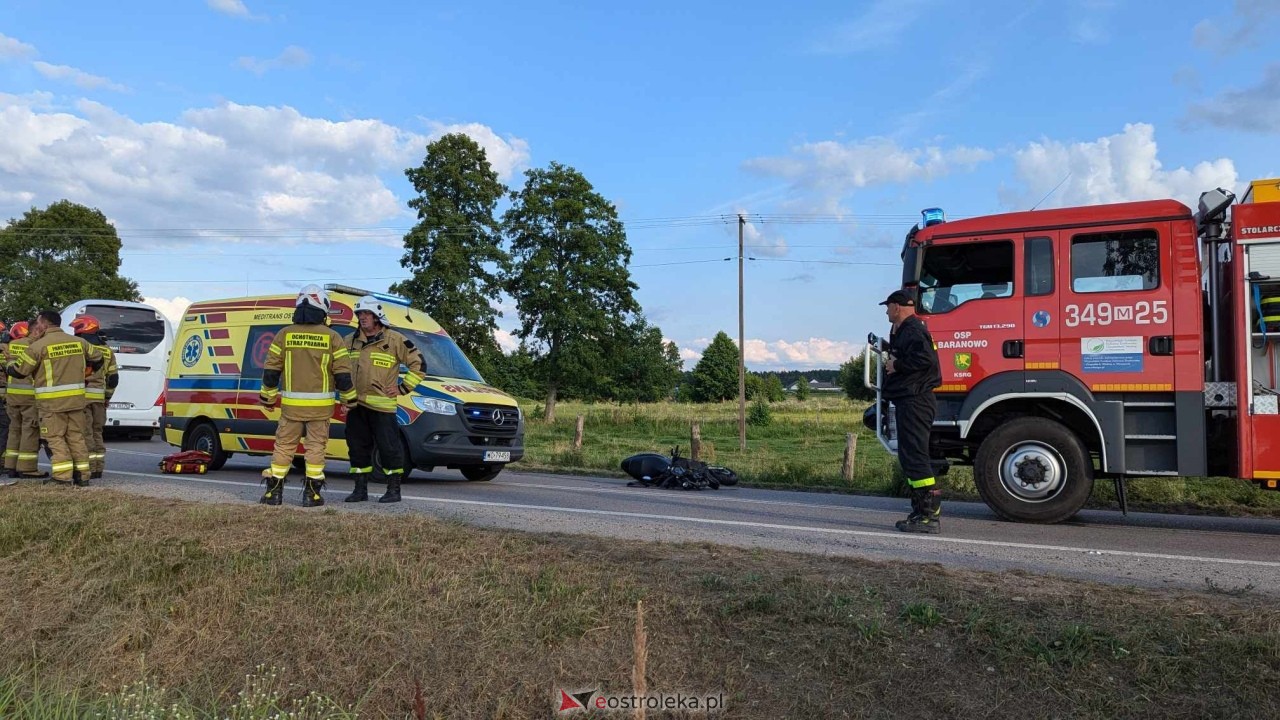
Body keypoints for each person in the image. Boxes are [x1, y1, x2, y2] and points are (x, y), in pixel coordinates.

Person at [258, 285, 357, 506]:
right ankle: (311, 495)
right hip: (320, 409)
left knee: (283, 447)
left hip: (291, 408)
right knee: (315, 449)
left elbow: (271, 370)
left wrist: (268, 398)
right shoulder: (332, 337)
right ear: (323, 308)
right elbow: (343, 375)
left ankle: (273, 494)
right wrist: (349, 400)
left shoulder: (284, 334)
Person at [342, 295, 426, 504]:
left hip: (382, 407)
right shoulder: (349, 341)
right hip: (355, 405)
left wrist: (403, 387)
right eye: (360, 314)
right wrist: (342, 395)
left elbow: (419, 364)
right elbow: (339, 369)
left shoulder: (394, 339)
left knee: (389, 449)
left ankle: (393, 490)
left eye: (367, 314)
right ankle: (360, 490)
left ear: (377, 316)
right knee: (357, 449)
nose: (362, 318)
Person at [7, 310, 102, 485]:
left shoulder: (38, 346)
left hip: (51, 403)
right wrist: (86, 374)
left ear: (44, 323)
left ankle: (62, 477)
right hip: (76, 401)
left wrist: (10, 362)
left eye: (38, 323)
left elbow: (19, 372)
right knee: (76, 437)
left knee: (55, 438)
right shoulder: (79, 342)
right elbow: (99, 359)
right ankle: (82, 475)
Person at [878, 289, 943, 533]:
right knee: (910, 457)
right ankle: (920, 512)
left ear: (897, 307)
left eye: (888, 306)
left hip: (916, 400)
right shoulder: (906, 330)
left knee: (915, 457)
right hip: (911, 399)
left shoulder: (914, 330)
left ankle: (928, 516)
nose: (886, 311)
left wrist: (897, 364)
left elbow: (926, 360)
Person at [71, 315, 119, 479]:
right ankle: (98, 468)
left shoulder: (79, 347)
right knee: (97, 432)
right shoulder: (107, 351)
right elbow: (113, 379)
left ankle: (88, 468)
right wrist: (107, 397)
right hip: (99, 399)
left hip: (82, 398)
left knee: (85, 434)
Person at [3, 321, 44, 480]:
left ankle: (10, 466)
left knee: (14, 431)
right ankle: (27, 468)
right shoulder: (36, 347)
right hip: (30, 397)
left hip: (12, 396)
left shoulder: (12, 345)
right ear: (35, 331)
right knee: (30, 432)